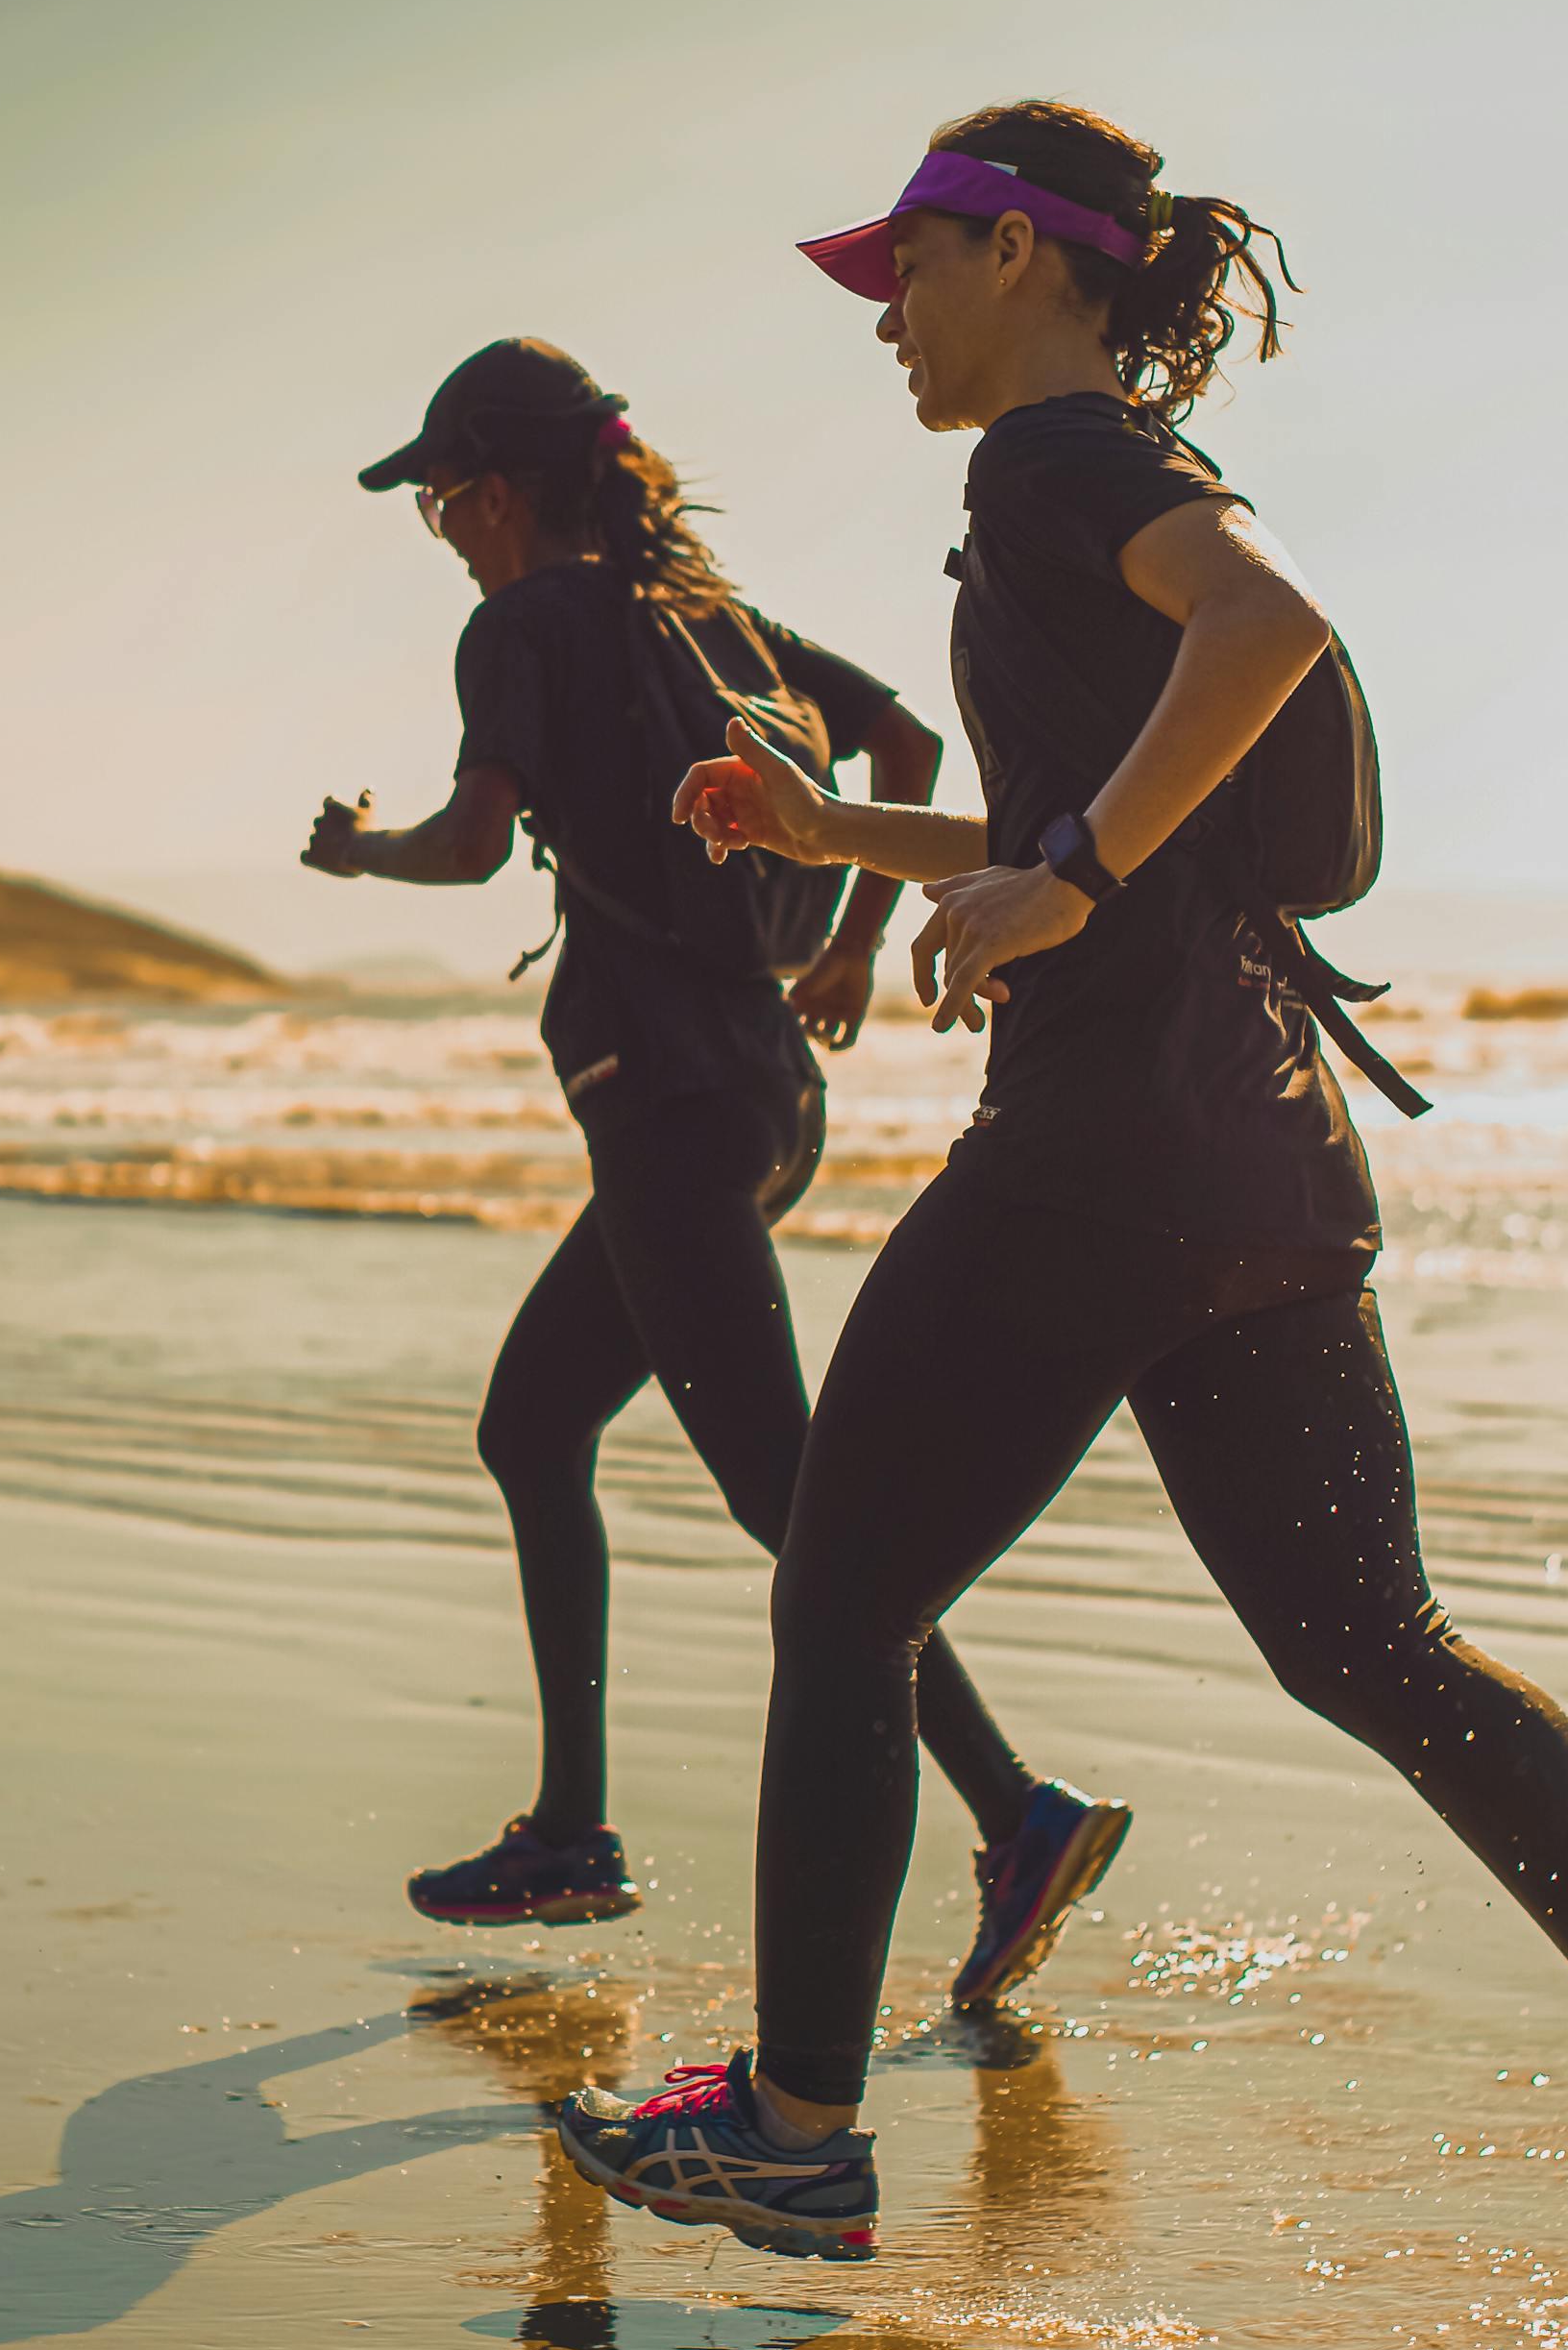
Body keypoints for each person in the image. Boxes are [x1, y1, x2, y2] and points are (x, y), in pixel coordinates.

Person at [556, 107, 1568, 2323]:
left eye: (905, 267)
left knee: (842, 1598)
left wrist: (1061, 881)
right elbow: (1101, 809)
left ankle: (798, 2129)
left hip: (1102, 1148)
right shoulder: (1083, 491)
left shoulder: (1053, 466)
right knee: (1368, 1649)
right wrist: (867, 832)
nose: (885, 316)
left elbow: (1266, 631)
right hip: (1257, 1151)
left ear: (1017, 252)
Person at [306, 336, 1128, 1996]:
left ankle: (1018, 1809)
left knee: (792, 1495)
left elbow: (473, 845)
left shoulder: (520, 626)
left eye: (447, 497)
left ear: (506, 488)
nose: (445, 530)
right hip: (755, 1099)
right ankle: (572, 1835)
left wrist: (356, 852)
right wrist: (841, 939)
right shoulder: (713, 616)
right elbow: (902, 748)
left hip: (667, 1103)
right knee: (532, 1425)